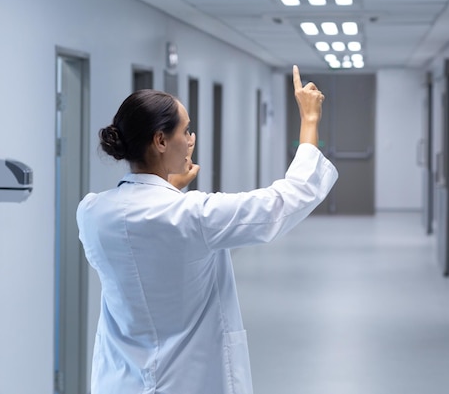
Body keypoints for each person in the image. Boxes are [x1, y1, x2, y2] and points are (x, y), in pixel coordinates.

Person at [77, 65, 338, 394]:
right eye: (185, 131)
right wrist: (310, 120)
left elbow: (144, 241)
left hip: (120, 381)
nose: (190, 141)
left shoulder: (91, 211)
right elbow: (284, 202)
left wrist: (169, 187)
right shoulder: (193, 216)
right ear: (160, 140)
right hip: (186, 382)